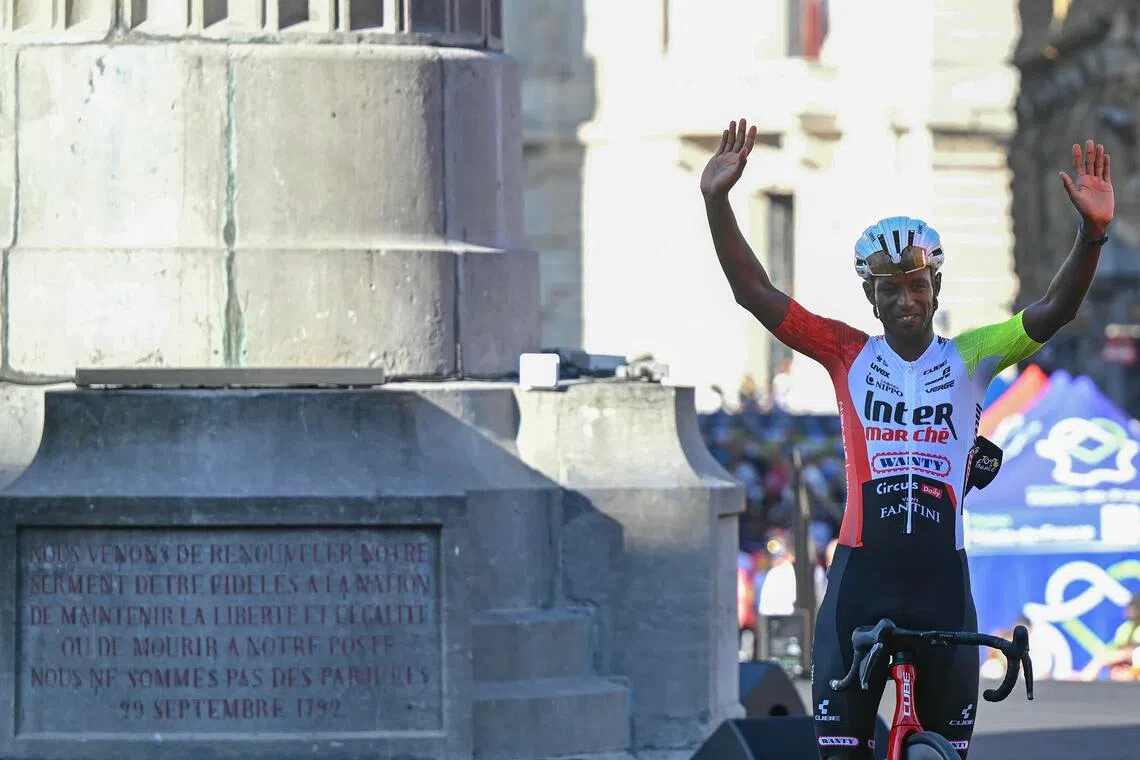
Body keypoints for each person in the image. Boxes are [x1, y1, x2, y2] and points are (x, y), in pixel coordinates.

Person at [701, 117, 1114, 759]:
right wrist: (718, 202)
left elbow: (1054, 311)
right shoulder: (844, 352)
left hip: (940, 583)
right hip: (861, 580)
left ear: (935, 288)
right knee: (841, 753)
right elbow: (756, 294)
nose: (904, 299)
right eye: (888, 288)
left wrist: (1092, 236)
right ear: (871, 297)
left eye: (915, 285)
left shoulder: (974, 355)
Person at [1077, 592, 1140, 682]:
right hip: (1127, 663)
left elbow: (1133, 650)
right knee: (1106, 663)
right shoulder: (1125, 628)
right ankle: (1083, 683)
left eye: (1132, 608)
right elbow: (1114, 648)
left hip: (1135, 664)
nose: (1128, 611)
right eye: (1128, 608)